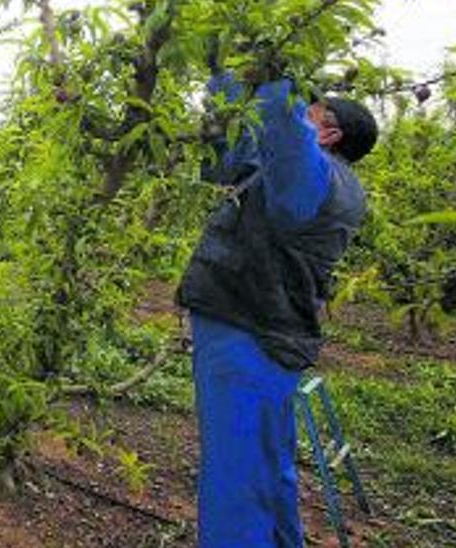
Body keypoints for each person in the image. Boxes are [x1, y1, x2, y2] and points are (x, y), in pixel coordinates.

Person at [176, 72, 378, 547]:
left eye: (313, 112)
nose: (302, 113)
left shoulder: (315, 175)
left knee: (234, 478)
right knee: (266, 464)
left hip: (247, 333)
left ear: (327, 134)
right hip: (266, 335)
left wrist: (270, 62)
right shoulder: (306, 176)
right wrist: (220, 72)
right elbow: (229, 158)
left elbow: (278, 121)